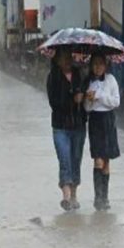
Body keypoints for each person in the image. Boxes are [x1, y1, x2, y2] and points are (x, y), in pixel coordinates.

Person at [46, 48, 88, 211]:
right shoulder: (53, 78)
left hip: (78, 125)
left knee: (75, 159)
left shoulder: (80, 75)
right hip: (60, 126)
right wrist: (73, 98)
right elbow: (54, 103)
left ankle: (74, 193)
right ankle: (66, 195)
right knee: (64, 160)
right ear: (57, 61)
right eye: (63, 58)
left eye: (69, 57)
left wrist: (83, 96)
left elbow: (86, 94)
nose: (67, 61)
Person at [84, 53, 121, 211]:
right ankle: (97, 197)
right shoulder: (89, 82)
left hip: (108, 121)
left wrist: (99, 96)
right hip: (95, 122)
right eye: (95, 64)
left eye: (100, 64)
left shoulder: (111, 80)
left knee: (106, 162)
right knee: (98, 160)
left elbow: (115, 102)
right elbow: (86, 108)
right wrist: (90, 100)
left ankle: (105, 197)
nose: (97, 67)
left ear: (105, 65)